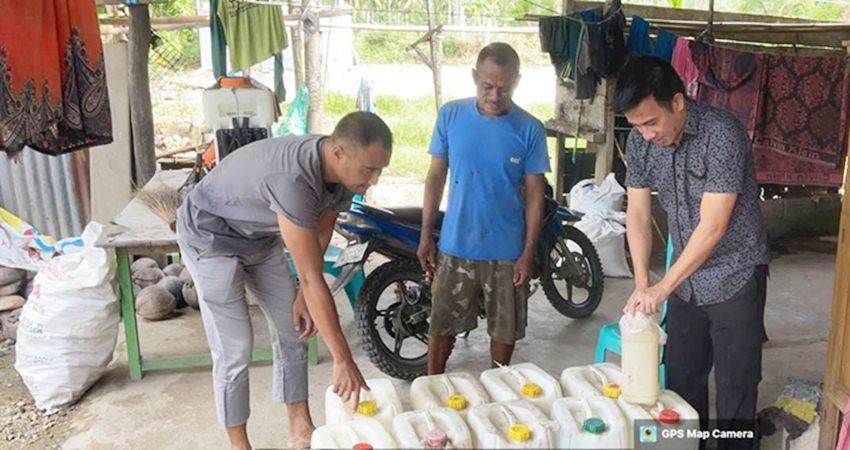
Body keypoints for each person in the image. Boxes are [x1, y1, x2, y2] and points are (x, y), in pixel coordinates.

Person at [175, 111, 392, 450]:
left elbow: (321, 233)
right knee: (235, 348)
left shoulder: (342, 177)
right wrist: (342, 358)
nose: (374, 179)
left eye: (380, 169)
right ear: (339, 154)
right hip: (210, 234)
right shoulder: (293, 180)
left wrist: (306, 295)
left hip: (258, 237)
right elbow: (308, 275)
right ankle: (238, 444)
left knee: (295, 328)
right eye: (369, 169)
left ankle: (300, 427)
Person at [615, 55, 769, 450]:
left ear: (678, 102)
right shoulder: (641, 142)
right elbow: (637, 212)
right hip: (685, 283)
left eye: (652, 122)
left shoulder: (723, 136)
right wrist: (643, 284)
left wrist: (662, 288)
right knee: (682, 384)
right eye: (637, 125)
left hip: (735, 275)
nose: (646, 134)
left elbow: (713, 226)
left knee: (736, 389)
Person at [417, 42, 550, 375]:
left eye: (504, 88)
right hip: (455, 245)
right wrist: (425, 235)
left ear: (517, 81)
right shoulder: (451, 115)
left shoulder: (530, 129)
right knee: (441, 325)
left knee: (504, 330)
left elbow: (535, 195)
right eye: (486, 86)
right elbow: (435, 176)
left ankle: (498, 386)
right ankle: (432, 386)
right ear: (474, 77)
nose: (494, 95)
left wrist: (527, 253)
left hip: (507, 252)